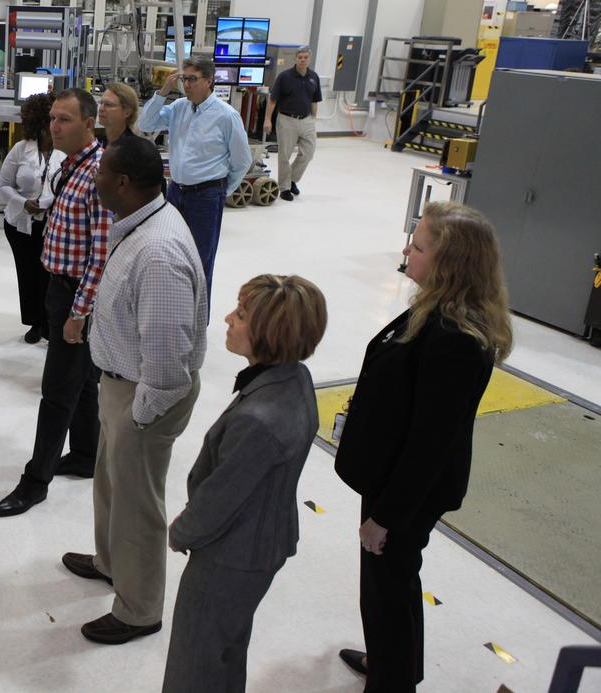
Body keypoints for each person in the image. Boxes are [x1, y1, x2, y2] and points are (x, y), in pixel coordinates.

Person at [334, 201, 512, 692]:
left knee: (388, 585)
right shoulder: (437, 310)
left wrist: (385, 517)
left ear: (449, 264)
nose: (406, 251)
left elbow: (430, 446)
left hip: (407, 490)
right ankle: (394, 664)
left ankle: (392, 682)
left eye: (418, 246)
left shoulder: (456, 340)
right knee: (389, 581)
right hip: (394, 477)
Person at [61, 136, 205, 646]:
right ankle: (109, 562)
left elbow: (167, 363)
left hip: (146, 396)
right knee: (110, 485)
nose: (93, 180)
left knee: (137, 503)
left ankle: (140, 608)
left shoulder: (159, 251)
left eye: (100, 173)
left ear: (122, 183)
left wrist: (140, 417)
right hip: (120, 385)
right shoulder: (140, 224)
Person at [163, 274, 328, 693]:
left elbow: (222, 497)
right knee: (226, 647)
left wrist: (182, 531)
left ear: (269, 333)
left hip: (231, 554)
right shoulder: (295, 379)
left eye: (240, 314)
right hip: (261, 540)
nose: (227, 319)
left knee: (195, 659)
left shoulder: (260, 420)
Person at [0, 88, 111, 517]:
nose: (53, 127)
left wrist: (80, 312)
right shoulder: (70, 166)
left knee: (57, 389)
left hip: (76, 295)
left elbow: (102, 254)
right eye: (52, 119)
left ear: (88, 123)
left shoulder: (98, 173)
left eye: (63, 120)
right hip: (58, 285)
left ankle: (34, 482)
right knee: (82, 383)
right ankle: (84, 454)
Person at [137, 54, 250, 307]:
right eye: (184, 79)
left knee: (199, 262)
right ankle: (172, 311)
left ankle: (198, 324)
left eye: (193, 79)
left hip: (206, 197)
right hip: (176, 192)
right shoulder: (179, 108)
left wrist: (220, 191)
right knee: (169, 254)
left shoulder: (226, 116)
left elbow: (242, 161)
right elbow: (145, 122)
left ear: (209, 81)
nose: (187, 84)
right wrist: (163, 90)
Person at [0, 93, 64, 344]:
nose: (55, 123)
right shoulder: (21, 149)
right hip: (20, 224)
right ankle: (35, 323)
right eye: (51, 117)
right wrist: (23, 202)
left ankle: (50, 323)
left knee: (50, 277)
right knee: (28, 275)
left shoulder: (66, 151)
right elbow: (3, 185)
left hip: (54, 225)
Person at [264, 46, 322, 201]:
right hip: (287, 120)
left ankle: (292, 180)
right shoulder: (284, 76)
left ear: (309, 59)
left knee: (308, 153)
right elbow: (272, 100)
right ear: (295, 59)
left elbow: (315, 101)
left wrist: (313, 120)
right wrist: (268, 119)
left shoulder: (314, 77)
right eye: (300, 57)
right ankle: (284, 188)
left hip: (307, 120)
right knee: (285, 155)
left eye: (305, 57)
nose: (302, 60)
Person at [96, 82, 140, 146]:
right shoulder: (98, 144)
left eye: (108, 104)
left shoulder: (138, 150)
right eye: (101, 103)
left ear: (126, 112)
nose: (101, 109)